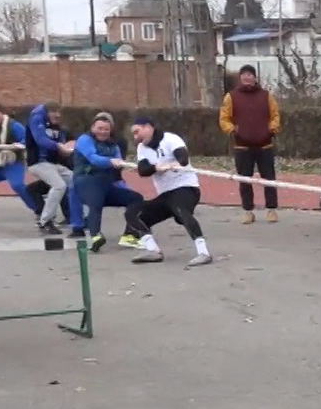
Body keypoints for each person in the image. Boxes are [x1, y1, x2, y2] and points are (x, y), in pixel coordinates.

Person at [122, 117, 211, 267]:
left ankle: (204, 252)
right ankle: (153, 250)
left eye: (138, 132)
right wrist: (157, 168)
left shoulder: (171, 139)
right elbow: (143, 171)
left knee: (179, 209)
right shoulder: (142, 148)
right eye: (134, 134)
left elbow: (183, 159)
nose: (136, 137)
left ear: (148, 127)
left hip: (186, 188)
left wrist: (172, 164)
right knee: (132, 213)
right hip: (165, 194)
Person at [72, 112, 144, 253]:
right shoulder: (84, 140)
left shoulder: (113, 145)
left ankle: (129, 234)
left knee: (136, 199)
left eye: (106, 129)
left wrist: (128, 166)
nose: (103, 132)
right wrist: (110, 161)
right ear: (92, 127)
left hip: (106, 184)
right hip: (86, 181)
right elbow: (93, 158)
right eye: (100, 128)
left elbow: (118, 162)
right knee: (96, 202)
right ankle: (94, 237)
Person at [219, 65, 281, 224]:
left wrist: (271, 129)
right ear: (240, 78)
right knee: (244, 180)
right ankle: (248, 211)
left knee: (269, 179)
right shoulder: (231, 97)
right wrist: (233, 130)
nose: (247, 77)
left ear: (255, 77)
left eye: (250, 74)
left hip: (265, 145)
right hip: (242, 146)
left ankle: (271, 210)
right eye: (244, 75)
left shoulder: (266, 96)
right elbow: (224, 118)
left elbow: (275, 115)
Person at [24, 101, 79, 236]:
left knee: (74, 179)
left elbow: (63, 142)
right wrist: (58, 147)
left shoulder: (58, 127)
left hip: (53, 164)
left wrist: (67, 148)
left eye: (59, 113)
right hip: (38, 163)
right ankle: (46, 221)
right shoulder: (37, 120)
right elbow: (40, 140)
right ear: (47, 113)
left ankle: (77, 217)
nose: (57, 115)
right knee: (59, 185)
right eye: (53, 113)